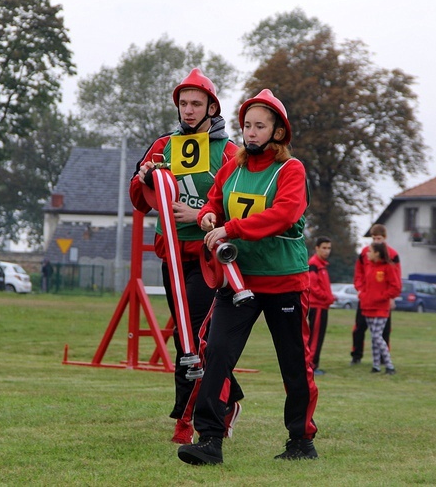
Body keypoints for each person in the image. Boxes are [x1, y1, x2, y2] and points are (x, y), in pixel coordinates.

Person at [177, 89, 318, 465]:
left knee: (294, 363)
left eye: (260, 126)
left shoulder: (291, 170)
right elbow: (213, 199)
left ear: (278, 133)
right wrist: (209, 215)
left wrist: (229, 229)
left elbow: (284, 215)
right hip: (237, 281)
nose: (251, 133)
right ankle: (210, 439)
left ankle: (301, 440)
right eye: (248, 126)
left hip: (284, 282)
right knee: (216, 353)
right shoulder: (232, 168)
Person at [129, 68, 243, 445]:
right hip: (172, 256)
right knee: (186, 339)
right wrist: (146, 178)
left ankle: (193, 417)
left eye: (197, 103)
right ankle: (225, 399)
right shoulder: (162, 145)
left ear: (212, 106)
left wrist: (199, 215)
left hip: (211, 259)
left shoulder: (229, 151)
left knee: (195, 338)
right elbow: (137, 200)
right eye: (183, 103)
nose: (189, 110)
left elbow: (239, 210)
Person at [351, 224, 401, 365]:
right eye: (373, 238)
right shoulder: (365, 252)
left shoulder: (392, 255)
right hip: (366, 298)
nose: (376, 241)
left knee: (383, 330)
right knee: (359, 327)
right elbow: (358, 273)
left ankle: (383, 360)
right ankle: (356, 355)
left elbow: (396, 278)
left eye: (378, 238)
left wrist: (391, 297)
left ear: (384, 238)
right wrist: (361, 290)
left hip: (382, 300)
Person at [307, 236, 336, 376]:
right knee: (316, 337)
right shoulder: (314, 264)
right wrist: (327, 298)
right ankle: (311, 365)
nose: (327, 251)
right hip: (317, 306)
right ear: (317, 248)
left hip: (322, 305)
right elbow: (313, 286)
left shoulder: (322, 265)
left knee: (318, 336)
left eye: (329, 248)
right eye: (324, 248)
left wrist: (330, 297)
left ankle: (312, 364)